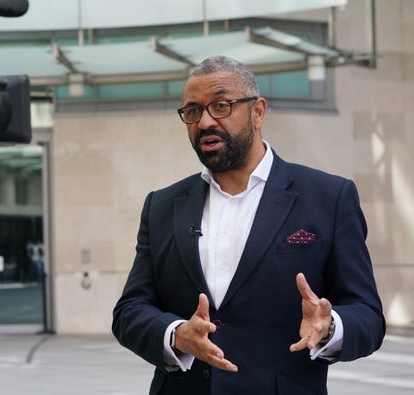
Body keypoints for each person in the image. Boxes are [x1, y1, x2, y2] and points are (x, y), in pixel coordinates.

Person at [112, 55, 385, 395]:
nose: (205, 122)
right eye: (193, 112)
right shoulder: (162, 205)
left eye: (221, 106)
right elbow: (129, 311)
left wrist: (331, 328)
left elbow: (369, 316)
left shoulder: (328, 197)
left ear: (257, 112)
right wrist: (176, 333)